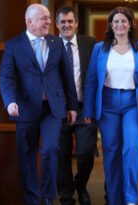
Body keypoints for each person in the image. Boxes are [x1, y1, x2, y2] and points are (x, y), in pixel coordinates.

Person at [83, 6, 138, 205]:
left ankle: (130, 198)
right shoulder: (99, 49)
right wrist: (88, 110)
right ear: (110, 25)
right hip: (108, 105)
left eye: (124, 21)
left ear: (130, 25)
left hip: (133, 105)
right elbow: (91, 81)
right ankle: (114, 200)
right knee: (111, 152)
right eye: (116, 21)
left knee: (132, 148)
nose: (120, 24)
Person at [0, 4, 78, 205]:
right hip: (25, 108)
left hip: (53, 108)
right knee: (27, 155)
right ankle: (32, 199)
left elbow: (67, 76)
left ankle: (49, 197)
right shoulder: (14, 45)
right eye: (44, 18)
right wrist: (10, 102)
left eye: (49, 18)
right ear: (30, 21)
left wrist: (72, 106)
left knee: (51, 149)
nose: (49, 22)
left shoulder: (56, 43)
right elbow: (6, 78)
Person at [55, 6, 97, 205]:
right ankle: (66, 196)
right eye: (62, 22)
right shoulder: (51, 45)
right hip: (59, 110)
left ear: (76, 23)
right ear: (57, 24)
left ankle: (80, 184)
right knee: (61, 153)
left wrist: (92, 107)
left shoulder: (90, 44)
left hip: (84, 108)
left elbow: (96, 76)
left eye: (70, 21)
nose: (67, 25)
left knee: (85, 152)